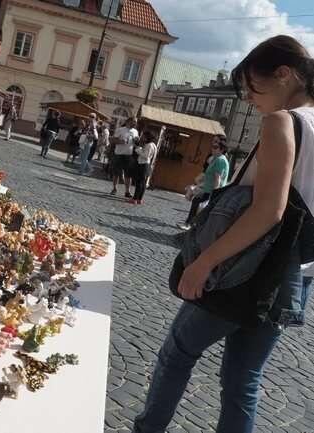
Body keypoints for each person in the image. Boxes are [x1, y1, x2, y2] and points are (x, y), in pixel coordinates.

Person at [133, 35, 314, 433]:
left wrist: (203, 263)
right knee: (242, 380)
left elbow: (269, 209)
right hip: (296, 277)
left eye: (252, 86)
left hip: (245, 268)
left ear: (284, 75)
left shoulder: (282, 122)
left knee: (177, 352)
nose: (248, 98)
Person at [177, 136, 229, 230]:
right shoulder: (216, 159)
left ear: (222, 149)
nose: (213, 149)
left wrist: (213, 194)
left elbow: (218, 179)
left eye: (216, 147)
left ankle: (190, 224)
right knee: (196, 202)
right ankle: (190, 223)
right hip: (207, 188)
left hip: (211, 191)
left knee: (199, 205)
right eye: (212, 147)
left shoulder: (220, 160)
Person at [110, 117, 139, 197]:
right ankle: (114, 188)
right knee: (116, 173)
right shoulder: (120, 129)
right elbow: (113, 140)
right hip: (119, 154)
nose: (135, 123)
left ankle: (127, 192)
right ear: (128, 121)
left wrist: (137, 141)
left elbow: (136, 143)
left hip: (129, 155)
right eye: (134, 121)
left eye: (136, 122)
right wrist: (120, 141)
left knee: (128, 174)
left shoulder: (135, 131)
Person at [130, 131, 157, 204]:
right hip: (146, 165)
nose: (142, 138)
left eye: (144, 136)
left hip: (143, 164)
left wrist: (138, 149)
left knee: (139, 183)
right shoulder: (153, 145)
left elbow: (145, 156)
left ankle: (135, 199)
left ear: (147, 137)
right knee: (143, 183)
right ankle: (139, 199)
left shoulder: (149, 145)